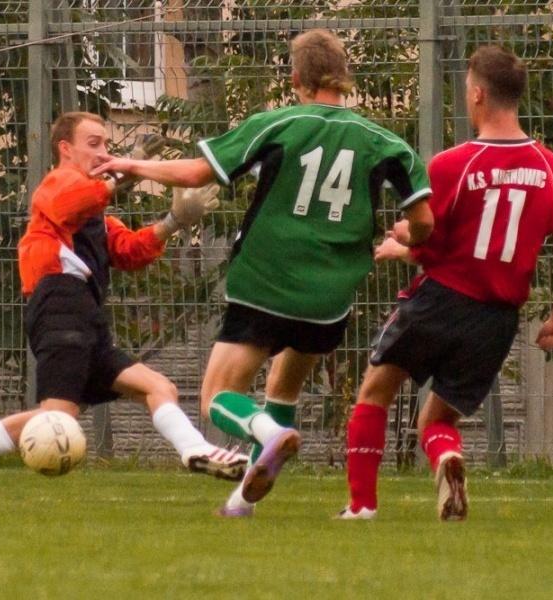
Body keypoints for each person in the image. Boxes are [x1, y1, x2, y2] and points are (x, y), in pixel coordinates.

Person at [91, 29, 434, 517]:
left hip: (266, 282)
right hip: (330, 298)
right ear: (343, 77)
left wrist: (131, 164)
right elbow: (424, 222)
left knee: (217, 398)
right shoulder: (386, 143)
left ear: (295, 78)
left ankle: (269, 434)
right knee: (281, 391)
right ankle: (241, 503)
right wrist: (408, 239)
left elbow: (196, 173)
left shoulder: (278, 124)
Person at [0, 111, 247, 498]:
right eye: (94, 143)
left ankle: (195, 449)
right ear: (65, 149)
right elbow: (73, 201)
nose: (104, 151)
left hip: (86, 316)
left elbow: (129, 251)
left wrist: (174, 220)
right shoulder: (58, 184)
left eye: (107, 144)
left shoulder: (96, 213)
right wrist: (124, 174)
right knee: (56, 417)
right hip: (60, 305)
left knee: (157, 387)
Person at [338, 44, 553, 521]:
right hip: (497, 319)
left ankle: (361, 506)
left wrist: (402, 240)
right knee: (437, 419)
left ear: (477, 94)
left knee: (375, 392)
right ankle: (447, 456)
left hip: (440, 301)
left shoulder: (455, 164)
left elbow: (429, 238)